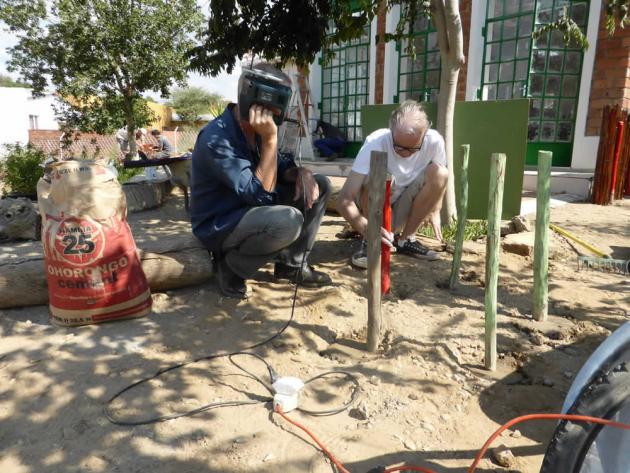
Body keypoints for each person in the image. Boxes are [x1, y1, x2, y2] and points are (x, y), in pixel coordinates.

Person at [190, 63, 332, 298]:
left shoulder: (258, 130)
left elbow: (283, 167)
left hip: (249, 212)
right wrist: (269, 140)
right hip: (220, 224)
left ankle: (292, 266)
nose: (280, 113)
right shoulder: (217, 139)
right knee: (288, 221)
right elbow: (258, 195)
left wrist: (301, 173)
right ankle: (231, 269)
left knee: (320, 184)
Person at [336, 100, 448, 269]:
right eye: (399, 147)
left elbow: (440, 180)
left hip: (404, 208)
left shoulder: (435, 141)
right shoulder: (376, 142)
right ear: (391, 130)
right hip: (373, 210)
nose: (405, 154)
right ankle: (371, 241)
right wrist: (366, 227)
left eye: (412, 149)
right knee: (378, 174)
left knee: (440, 172)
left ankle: (406, 239)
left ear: (425, 134)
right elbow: (344, 199)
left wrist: (436, 209)